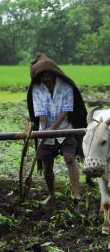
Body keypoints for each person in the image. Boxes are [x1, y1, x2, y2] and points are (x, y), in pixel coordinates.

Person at [27, 53, 87, 206]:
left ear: (53, 74)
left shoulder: (66, 86)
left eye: (48, 76)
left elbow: (66, 110)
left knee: (69, 158)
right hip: (45, 129)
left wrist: (53, 128)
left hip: (66, 128)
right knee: (47, 164)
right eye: (42, 77)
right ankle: (51, 195)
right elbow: (40, 111)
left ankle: (76, 195)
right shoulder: (36, 88)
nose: (45, 79)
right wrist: (45, 130)